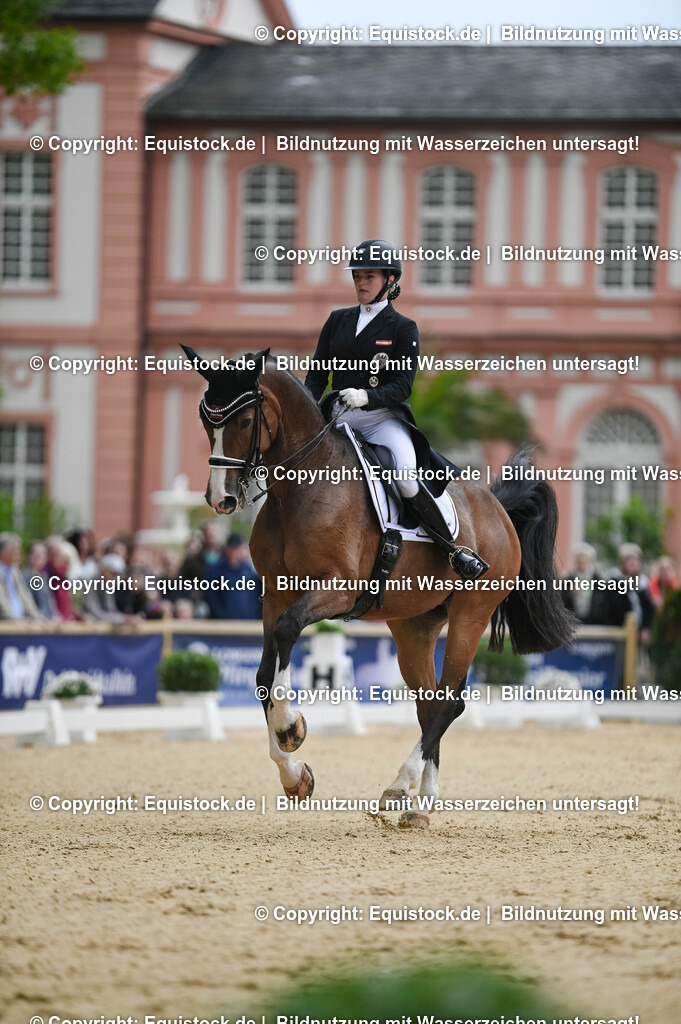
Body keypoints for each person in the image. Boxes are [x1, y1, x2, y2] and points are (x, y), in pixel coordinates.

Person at [303, 239, 488, 580]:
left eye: (369, 276)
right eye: (357, 276)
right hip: (338, 418)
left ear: (390, 280)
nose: (361, 282)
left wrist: (367, 397)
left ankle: (452, 549)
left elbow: (402, 386)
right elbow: (317, 374)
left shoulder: (403, 328)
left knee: (404, 478)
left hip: (380, 420)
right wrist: (305, 406)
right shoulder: (336, 321)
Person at [204, 534, 262, 620]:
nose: (234, 551)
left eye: (237, 548)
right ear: (227, 549)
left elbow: (259, 594)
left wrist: (257, 614)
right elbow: (211, 597)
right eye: (232, 548)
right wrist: (221, 615)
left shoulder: (250, 570)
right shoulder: (215, 570)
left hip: (249, 621)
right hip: (224, 623)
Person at [0, 533, 43, 621]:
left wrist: (40, 620)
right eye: (16, 551)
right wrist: (17, 621)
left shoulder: (15, 571)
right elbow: (2, 605)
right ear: (4, 553)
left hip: (21, 625)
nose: (19, 555)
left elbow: (26, 599)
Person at [560, 542, 604, 624]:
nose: (580, 564)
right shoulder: (568, 580)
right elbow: (562, 600)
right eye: (578, 561)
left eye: (583, 560)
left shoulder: (598, 580)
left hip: (593, 621)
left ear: (590, 561)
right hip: (573, 621)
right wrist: (570, 593)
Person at [22, 540, 57, 619]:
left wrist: (56, 616)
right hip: (37, 622)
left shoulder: (43, 576)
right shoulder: (25, 576)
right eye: (37, 555)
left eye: (44, 554)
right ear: (29, 556)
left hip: (48, 622)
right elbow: (29, 605)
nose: (41, 558)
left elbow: (50, 604)